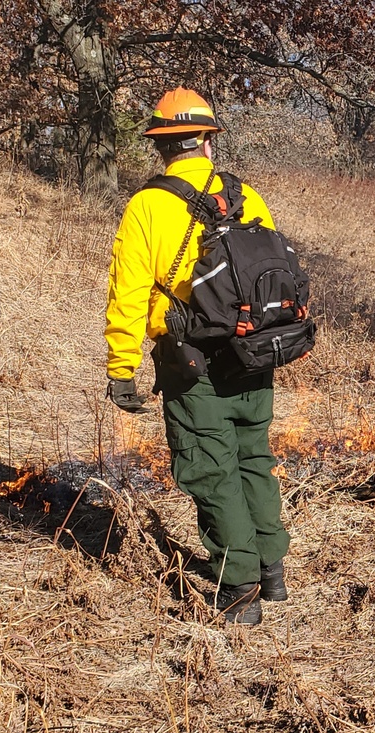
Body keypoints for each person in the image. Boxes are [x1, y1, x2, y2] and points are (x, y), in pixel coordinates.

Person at [104, 88, 289, 625]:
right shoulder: (246, 195)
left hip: (191, 360)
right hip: (254, 350)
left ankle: (238, 589)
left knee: (209, 468)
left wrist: (121, 367)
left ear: (160, 145)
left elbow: (129, 294)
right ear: (208, 140)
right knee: (253, 456)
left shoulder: (147, 206)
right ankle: (271, 568)